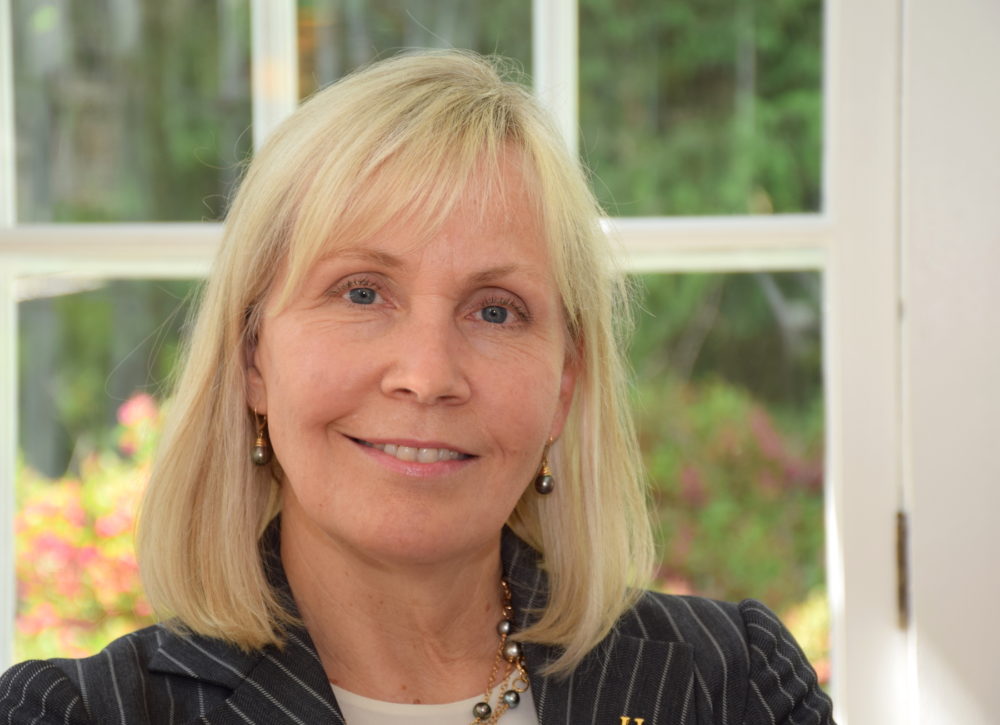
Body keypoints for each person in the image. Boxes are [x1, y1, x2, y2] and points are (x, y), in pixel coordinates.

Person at [0, 50, 834, 725]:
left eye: (497, 311)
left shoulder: (735, 685)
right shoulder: (76, 713)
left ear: (564, 383)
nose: (428, 375)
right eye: (361, 292)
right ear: (254, 355)